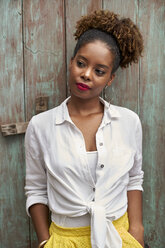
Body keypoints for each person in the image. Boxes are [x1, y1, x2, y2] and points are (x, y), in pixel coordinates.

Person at [25, 10, 144, 248]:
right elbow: (36, 189)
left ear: (110, 78)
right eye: (81, 63)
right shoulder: (41, 126)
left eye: (99, 71)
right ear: (71, 63)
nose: (86, 74)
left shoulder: (129, 122)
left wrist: (137, 230)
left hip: (120, 238)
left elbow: (134, 178)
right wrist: (44, 242)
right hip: (64, 240)